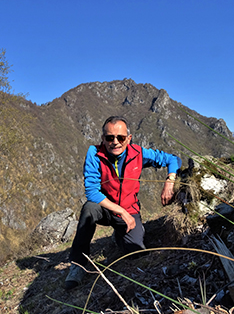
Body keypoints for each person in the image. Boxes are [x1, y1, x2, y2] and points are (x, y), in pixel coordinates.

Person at [65, 116, 181, 290]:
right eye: (110, 138)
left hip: (129, 209)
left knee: (136, 253)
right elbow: (91, 192)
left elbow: (173, 159)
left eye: (120, 137)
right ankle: (78, 265)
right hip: (105, 209)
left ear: (129, 138)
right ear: (103, 138)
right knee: (89, 209)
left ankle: (119, 236)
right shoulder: (95, 153)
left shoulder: (139, 154)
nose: (115, 142)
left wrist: (170, 181)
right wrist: (122, 212)